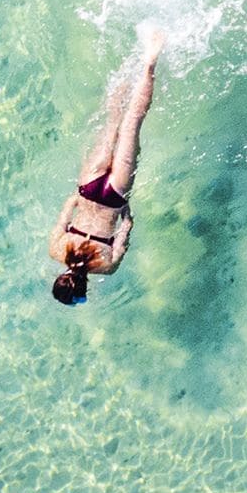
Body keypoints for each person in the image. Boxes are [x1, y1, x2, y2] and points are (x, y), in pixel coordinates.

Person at [50, 26, 165, 305]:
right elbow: (67, 208)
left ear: (82, 290)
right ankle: (127, 68)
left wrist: (125, 211)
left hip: (114, 197)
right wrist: (78, 197)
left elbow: (126, 227)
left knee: (132, 123)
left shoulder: (107, 266)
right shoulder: (56, 249)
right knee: (113, 122)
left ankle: (150, 62)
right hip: (88, 188)